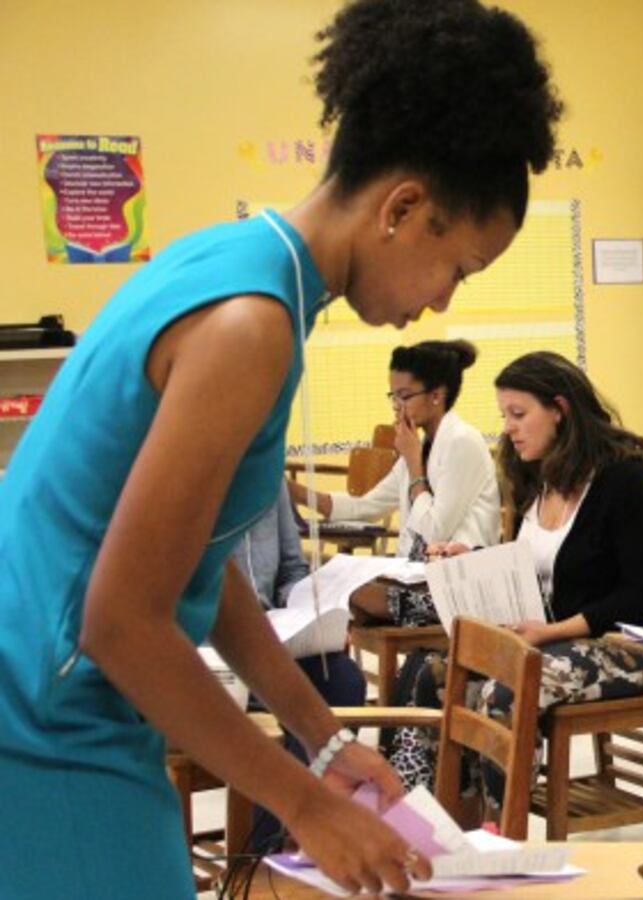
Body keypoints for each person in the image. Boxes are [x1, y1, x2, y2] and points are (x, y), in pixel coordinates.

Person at [0, 0, 562, 893]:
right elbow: (121, 618)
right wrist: (305, 804)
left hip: (58, 704)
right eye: (457, 268)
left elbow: (194, 555)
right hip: (46, 724)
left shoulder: (233, 265)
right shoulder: (250, 327)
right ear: (403, 209)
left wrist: (323, 734)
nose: (444, 303)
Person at [381, 352, 643, 805]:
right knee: (428, 672)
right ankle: (431, 822)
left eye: (518, 414)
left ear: (559, 410)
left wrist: (553, 631)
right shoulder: (540, 476)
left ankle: (503, 837)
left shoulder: (623, 480)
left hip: (632, 647)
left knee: (506, 690)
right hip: (555, 639)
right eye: (505, 415)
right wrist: (473, 556)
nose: (508, 427)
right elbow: (533, 563)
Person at [289, 339, 501, 559]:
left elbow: (433, 534)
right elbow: (366, 507)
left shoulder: (462, 442)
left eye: (405, 396)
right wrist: (294, 492)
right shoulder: (422, 447)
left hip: (455, 579)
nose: (396, 406)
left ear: (437, 395)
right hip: (417, 572)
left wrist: (413, 464)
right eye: (393, 396)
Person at [232, 482, 367, 712]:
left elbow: (292, 570)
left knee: (344, 680)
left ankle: (308, 748)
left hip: (274, 636)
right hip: (209, 639)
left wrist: (315, 618)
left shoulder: (272, 482)